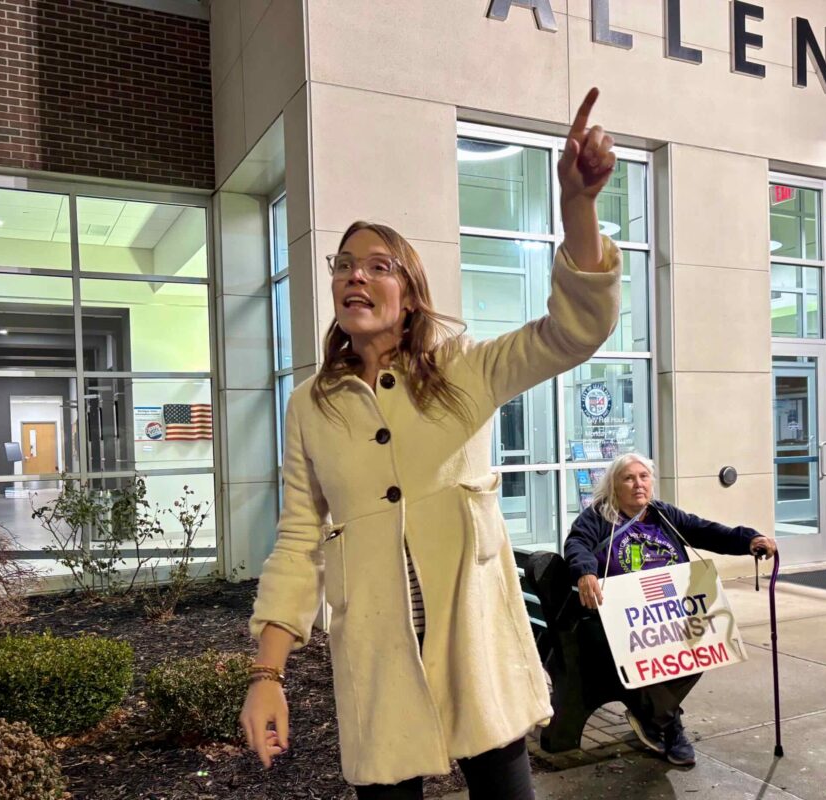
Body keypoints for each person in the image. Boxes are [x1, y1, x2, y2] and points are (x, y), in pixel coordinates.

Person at [239, 88, 623, 799]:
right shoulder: (311, 406)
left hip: (477, 653)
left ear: (410, 293)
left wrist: (577, 206)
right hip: (376, 658)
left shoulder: (464, 370)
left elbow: (575, 331)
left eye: (377, 265)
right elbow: (297, 540)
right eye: (344, 264)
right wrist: (268, 674)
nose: (354, 274)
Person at [563, 452, 777, 767]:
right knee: (645, 655)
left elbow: (706, 531)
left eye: (643, 477)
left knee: (703, 645)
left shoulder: (663, 515)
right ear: (614, 485)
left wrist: (748, 540)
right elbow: (577, 544)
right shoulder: (598, 516)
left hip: (669, 612)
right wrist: (586, 571)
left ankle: (655, 718)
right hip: (618, 620)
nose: (638, 484)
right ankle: (668, 724)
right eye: (628, 478)